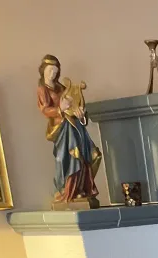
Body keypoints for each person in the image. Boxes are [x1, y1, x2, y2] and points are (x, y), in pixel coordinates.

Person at [37, 54, 102, 206]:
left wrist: (80, 112)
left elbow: (74, 104)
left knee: (91, 154)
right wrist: (60, 108)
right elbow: (45, 110)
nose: (52, 73)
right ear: (43, 71)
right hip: (62, 129)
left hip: (75, 126)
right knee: (71, 157)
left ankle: (81, 188)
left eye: (55, 70)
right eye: (49, 70)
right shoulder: (42, 89)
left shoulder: (62, 88)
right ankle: (67, 191)